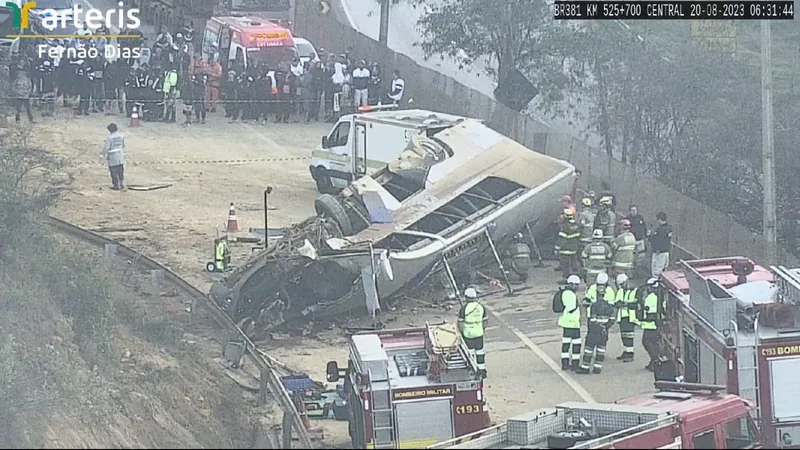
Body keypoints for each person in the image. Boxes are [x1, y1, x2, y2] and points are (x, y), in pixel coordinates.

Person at [576, 282, 615, 375]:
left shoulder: (594, 305)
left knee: (588, 350)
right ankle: (597, 368)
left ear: (597, 294)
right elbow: (612, 319)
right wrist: (605, 327)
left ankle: (585, 368)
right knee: (601, 350)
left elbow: (592, 320)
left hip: (594, 332)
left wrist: (599, 327)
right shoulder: (609, 306)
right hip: (604, 333)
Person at [457, 288, 487, 378]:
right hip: (479, 333)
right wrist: (481, 329)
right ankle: (482, 370)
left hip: (468, 334)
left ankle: (472, 370)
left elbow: (460, 323)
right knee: (480, 352)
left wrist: (462, 333)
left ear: (466, 297)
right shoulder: (481, 307)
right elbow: (485, 321)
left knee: (470, 353)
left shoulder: (464, 308)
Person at [558, 275, 583, 371]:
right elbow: (571, 308)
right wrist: (578, 305)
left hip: (567, 322)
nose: (577, 287)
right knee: (576, 344)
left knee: (566, 344)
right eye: (576, 285)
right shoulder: (570, 294)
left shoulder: (565, 293)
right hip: (572, 323)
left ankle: (565, 363)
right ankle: (575, 364)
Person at [638, 277, 662, 371]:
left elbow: (652, 312)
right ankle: (654, 360)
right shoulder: (655, 296)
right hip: (651, 324)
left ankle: (655, 361)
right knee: (650, 343)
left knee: (648, 342)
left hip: (652, 325)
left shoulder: (653, 297)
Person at [614, 274, 639, 362]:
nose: (622, 286)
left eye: (623, 284)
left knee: (629, 335)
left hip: (630, 316)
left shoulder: (634, 291)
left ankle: (630, 353)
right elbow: (616, 303)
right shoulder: (620, 291)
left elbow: (636, 304)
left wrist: (626, 304)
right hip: (622, 316)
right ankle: (625, 351)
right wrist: (620, 304)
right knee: (623, 335)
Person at [555, 209, 581, 281]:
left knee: (566, 265)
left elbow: (562, 239)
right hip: (574, 249)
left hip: (566, 250)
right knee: (574, 264)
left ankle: (566, 278)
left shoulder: (565, 226)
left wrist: (557, 248)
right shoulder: (576, 225)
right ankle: (575, 277)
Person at [10, 55, 34, 123]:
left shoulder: (27, 78)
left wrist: (28, 92)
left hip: (25, 94)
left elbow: (30, 85)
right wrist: (15, 92)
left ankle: (31, 119)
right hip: (18, 94)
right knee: (18, 107)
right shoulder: (16, 78)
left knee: (28, 107)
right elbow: (14, 86)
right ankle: (17, 119)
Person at [648, 212, 673, 278]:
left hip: (659, 253)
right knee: (664, 270)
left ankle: (655, 285)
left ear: (659, 219)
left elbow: (657, 240)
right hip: (666, 252)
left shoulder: (661, 230)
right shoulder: (669, 228)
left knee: (656, 270)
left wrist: (649, 236)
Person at [102, 123, 126, 190]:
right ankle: (121, 183)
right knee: (120, 169)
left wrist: (103, 154)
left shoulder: (109, 138)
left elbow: (107, 148)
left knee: (113, 170)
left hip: (112, 156)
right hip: (120, 154)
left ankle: (116, 185)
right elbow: (123, 145)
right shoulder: (122, 136)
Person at [625, 205, 648, 272]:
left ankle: (639, 268)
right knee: (632, 255)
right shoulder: (627, 219)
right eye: (632, 210)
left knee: (641, 255)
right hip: (632, 240)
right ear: (630, 211)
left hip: (640, 239)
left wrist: (646, 234)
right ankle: (631, 269)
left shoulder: (640, 218)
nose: (634, 212)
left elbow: (644, 227)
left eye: (635, 210)